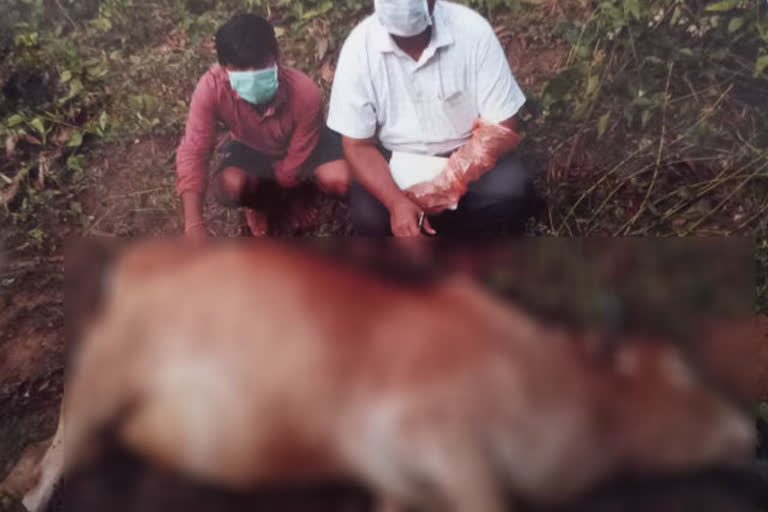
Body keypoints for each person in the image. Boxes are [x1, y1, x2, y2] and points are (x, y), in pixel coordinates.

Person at [328, 0, 533, 237]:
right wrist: (395, 202)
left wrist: (450, 181)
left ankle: (459, 244)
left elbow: (502, 124)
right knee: (370, 216)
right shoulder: (359, 48)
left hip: (467, 158)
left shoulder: (473, 32)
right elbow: (357, 145)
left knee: (508, 189)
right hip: (394, 163)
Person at [176, 13, 350, 239]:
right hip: (251, 145)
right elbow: (194, 150)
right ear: (223, 67)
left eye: (258, 65)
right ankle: (259, 204)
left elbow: (296, 159)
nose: (251, 76)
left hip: (304, 148)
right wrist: (193, 224)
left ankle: (295, 196)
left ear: (277, 57)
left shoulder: (306, 93)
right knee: (231, 186)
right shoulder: (211, 89)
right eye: (238, 68)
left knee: (340, 178)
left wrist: (287, 185)